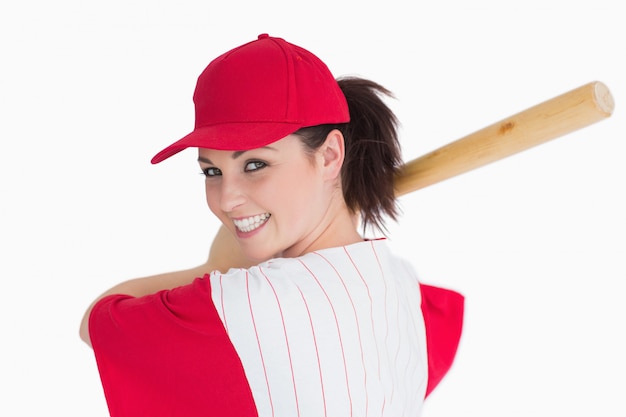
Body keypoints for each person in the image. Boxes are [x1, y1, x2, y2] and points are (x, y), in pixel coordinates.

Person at [79, 33, 464, 417]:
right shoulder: (407, 292)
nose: (227, 199)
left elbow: (100, 319)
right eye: (212, 171)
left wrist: (212, 270)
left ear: (330, 155)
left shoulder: (242, 303)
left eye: (255, 165)